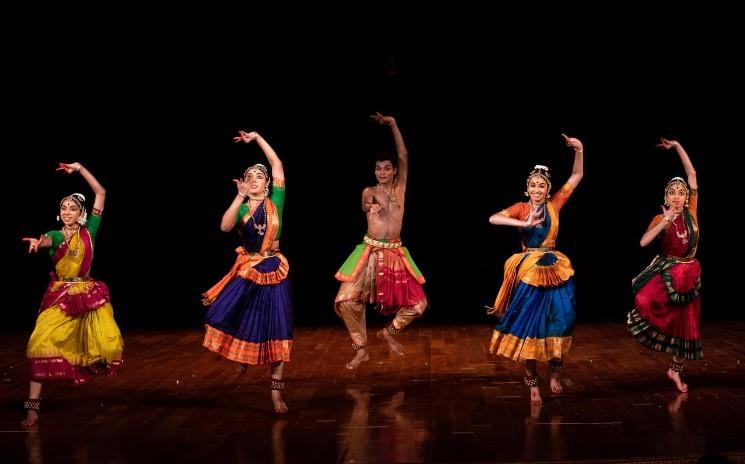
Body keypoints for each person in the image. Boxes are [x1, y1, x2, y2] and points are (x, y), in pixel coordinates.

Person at [20, 162, 124, 427]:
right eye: (63, 208)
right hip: (60, 295)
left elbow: (101, 192)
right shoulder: (55, 234)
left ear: (82, 214)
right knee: (37, 346)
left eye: (72, 208)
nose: (67, 211)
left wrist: (80, 169)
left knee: (104, 345)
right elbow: (47, 240)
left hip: (87, 294)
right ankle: (32, 409)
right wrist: (38, 242)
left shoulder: (90, 232)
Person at [487, 134, 584, 405]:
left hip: (556, 268)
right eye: (533, 185)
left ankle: (554, 372)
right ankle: (531, 382)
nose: (538, 189)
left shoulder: (555, 205)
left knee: (562, 320)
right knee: (530, 325)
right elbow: (493, 218)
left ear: (548, 188)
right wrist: (523, 225)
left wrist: (579, 149)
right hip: (529, 269)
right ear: (527, 188)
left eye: (542, 185)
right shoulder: (521, 208)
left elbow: (577, 175)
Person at [202, 130, 292, 413]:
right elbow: (225, 227)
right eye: (249, 176)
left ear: (268, 185)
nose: (254, 179)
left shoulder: (275, 202)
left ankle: (276, 392)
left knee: (278, 326)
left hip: (274, 267)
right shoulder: (242, 209)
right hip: (250, 268)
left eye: (259, 176)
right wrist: (238, 197)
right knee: (238, 315)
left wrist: (258, 138)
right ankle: (244, 356)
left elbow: (276, 164)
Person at [335, 113, 427, 370]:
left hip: (395, 254)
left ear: (394, 170)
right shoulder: (370, 191)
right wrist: (369, 209)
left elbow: (404, 154)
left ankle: (389, 332)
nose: (382, 172)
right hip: (370, 252)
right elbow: (366, 204)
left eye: (387, 168)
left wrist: (393, 124)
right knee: (345, 301)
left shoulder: (400, 189)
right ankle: (361, 349)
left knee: (419, 305)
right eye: (378, 168)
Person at [627, 138, 702, 393]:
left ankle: (675, 370)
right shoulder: (661, 216)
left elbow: (691, 173)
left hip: (689, 274)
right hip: (669, 273)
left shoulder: (691, 211)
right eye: (673, 192)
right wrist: (664, 223)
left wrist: (679, 146)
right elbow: (643, 241)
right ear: (666, 196)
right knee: (648, 303)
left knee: (688, 325)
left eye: (682, 192)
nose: (679, 196)